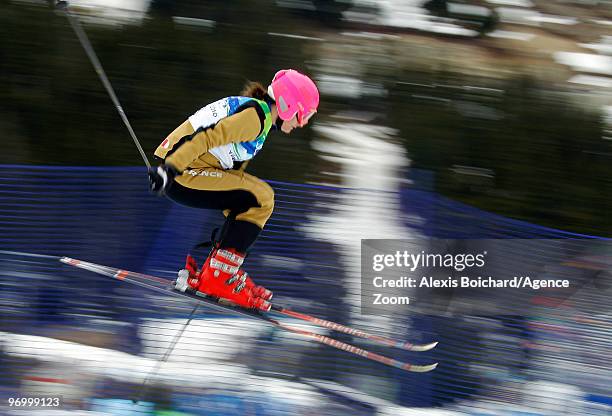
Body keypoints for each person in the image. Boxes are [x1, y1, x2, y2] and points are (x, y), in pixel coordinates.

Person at [148, 69, 319, 312]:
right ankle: (218, 278)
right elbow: (206, 138)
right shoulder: (254, 118)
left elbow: (232, 180)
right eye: (303, 115)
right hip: (182, 172)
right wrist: (169, 169)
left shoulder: (260, 119)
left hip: (190, 170)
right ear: (287, 105)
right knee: (262, 197)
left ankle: (218, 274)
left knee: (253, 198)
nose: (302, 123)